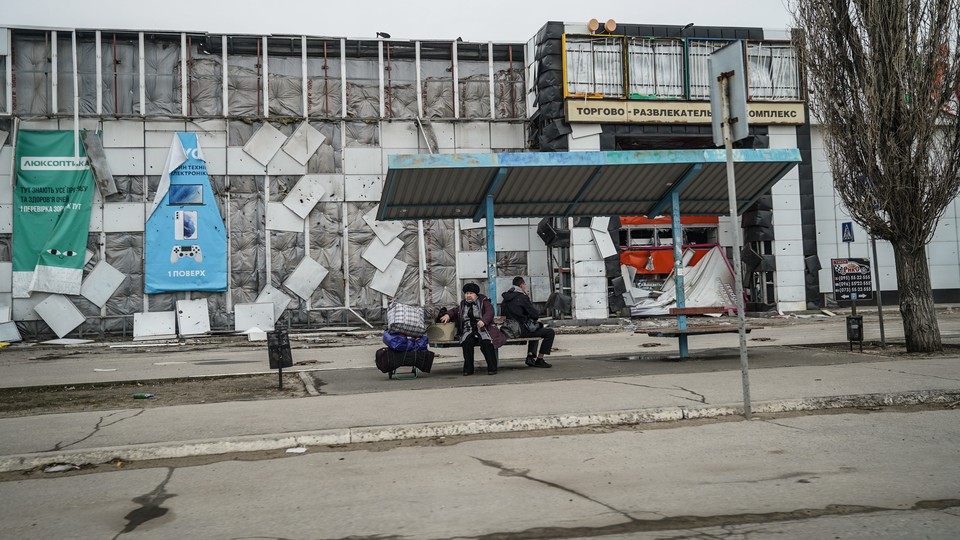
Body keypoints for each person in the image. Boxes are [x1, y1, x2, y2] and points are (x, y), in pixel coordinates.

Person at [439, 283, 504, 376]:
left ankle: (492, 368)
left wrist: (483, 320)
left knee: (486, 343)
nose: (468, 295)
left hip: (483, 328)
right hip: (468, 329)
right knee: (466, 343)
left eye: (471, 293)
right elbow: (454, 310)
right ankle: (468, 369)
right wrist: (448, 314)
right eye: (466, 293)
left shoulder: (484, 301)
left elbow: (490, 312)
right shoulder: (462, 304)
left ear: (476, 294)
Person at [501, 276, 555, 368]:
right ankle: (540, 359)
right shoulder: (522, 297)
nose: (525, 286)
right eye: (524, 284)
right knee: (549, 332)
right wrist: (527, 299)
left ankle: (530, 356)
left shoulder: (505, 299)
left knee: (534, 329)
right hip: (520, 330)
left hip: (508, 329)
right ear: (521, 285)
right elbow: (535, 315)